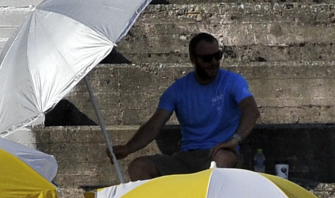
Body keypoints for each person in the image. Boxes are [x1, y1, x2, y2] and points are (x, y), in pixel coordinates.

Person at [111, 32, 260, 180]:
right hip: (186, 157)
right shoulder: (177, 90)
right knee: (138, 167)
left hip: (221, 152)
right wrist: (127, 148)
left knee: (222, 159)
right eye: (207, 58)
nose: (214, 62)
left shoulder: (233, 81)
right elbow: (155, 125)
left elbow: (251, 110)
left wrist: (234, 141)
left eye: (218, 55)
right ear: (193, 59)